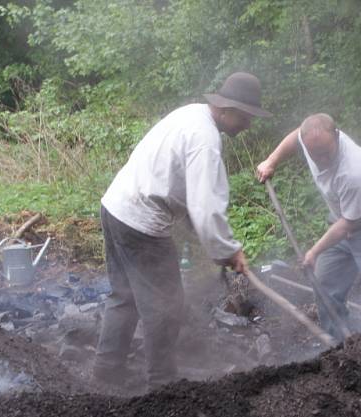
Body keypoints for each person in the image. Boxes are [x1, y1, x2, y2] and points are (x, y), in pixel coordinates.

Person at [95, 72, 271, 389]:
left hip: (115, 208)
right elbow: (205, 207)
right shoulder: (206, 140)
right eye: (245, 117)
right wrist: (228, 251)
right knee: (166, 307)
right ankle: (162, 385)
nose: (248, 125)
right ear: (226, 109)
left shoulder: (190, 114)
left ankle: (106, 373)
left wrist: (221, 250)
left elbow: (189, 199)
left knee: (124, 297)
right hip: (141, 223)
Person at [256, 113, 361, 350]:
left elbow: (347, 226)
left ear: (337, 138)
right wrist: (271, 161)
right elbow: (294, 137)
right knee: (325, 285)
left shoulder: (354, 172)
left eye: (326, 153)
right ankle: (343, 349)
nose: (320, 160)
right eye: (314, 154)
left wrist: (313, 252)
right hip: (344, 219)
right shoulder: (311, 140)